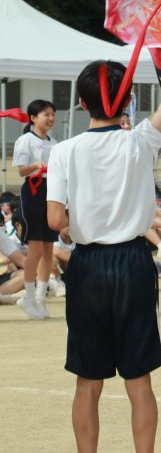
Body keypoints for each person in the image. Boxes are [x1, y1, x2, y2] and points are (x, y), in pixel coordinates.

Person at [46, 0, 161, 453]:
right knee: (139, 379)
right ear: (127, 101)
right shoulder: (140, 141)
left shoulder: (64, 151)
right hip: (132, 263)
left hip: (88, 265)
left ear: (82, 103)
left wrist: (76, 223)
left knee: (87, 381)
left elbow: (54, 218)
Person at [12, 99, 58, 319]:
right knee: (36, 249)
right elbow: (21, 171)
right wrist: (35, 166)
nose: (50, 118)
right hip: (33, 191)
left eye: (52, 114)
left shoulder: (55, 143)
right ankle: (28, 297)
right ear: (33, 118)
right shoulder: (25, 140)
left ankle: (40, 298)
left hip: (52, 192)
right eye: (45, 114)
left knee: (49, 250)